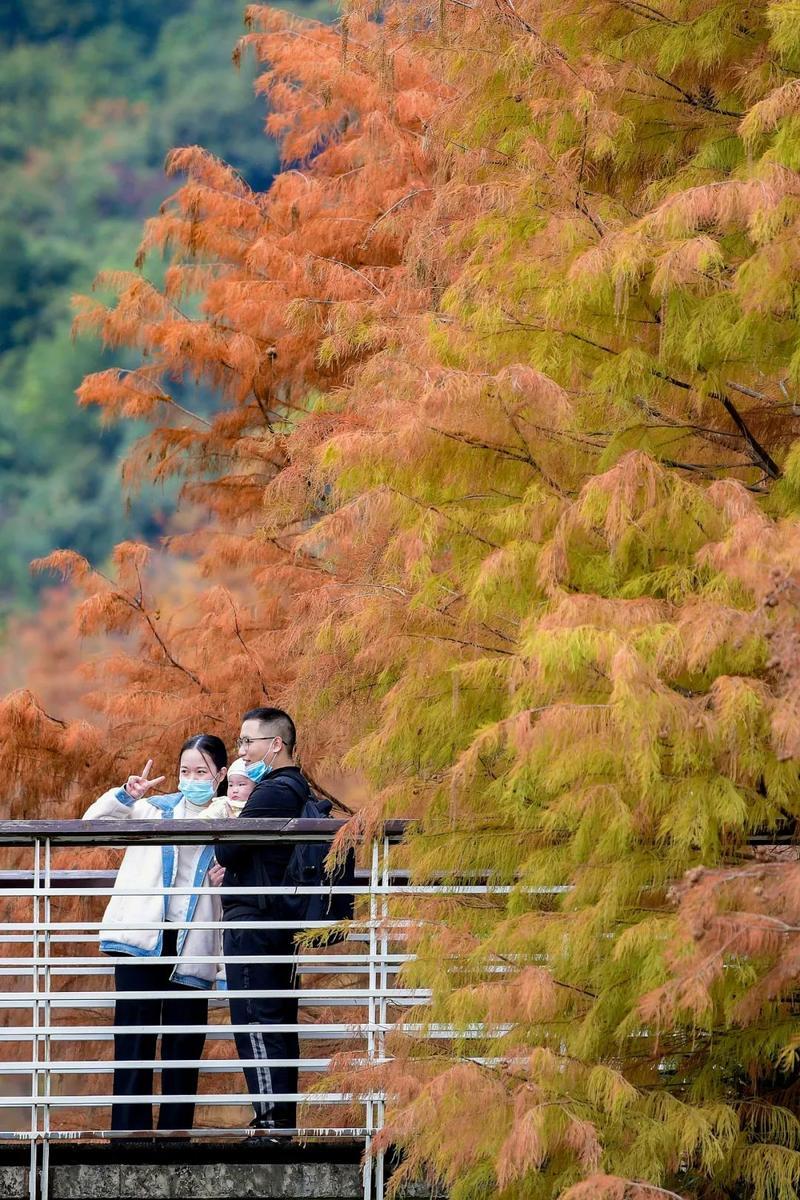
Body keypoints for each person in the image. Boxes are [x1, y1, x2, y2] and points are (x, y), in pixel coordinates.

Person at [83, 734, 228, 1133]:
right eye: (185, 771)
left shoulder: (233, 817)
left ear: (220, 775)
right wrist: (126, 795)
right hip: (142, 937)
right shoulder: (154, 808)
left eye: (201, 771)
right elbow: (92, 824)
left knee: (184, 1044)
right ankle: (128, 1138)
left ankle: (174, 1141)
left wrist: (230, 873)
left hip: (192, 942)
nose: (191, 779)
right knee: (134, 1039)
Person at [214, 707, 310, 1133]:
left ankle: (271, 1122)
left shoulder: (273, 790)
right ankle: (278, 1120)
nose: (241, 750)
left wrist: (227, 822)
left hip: (254, 920)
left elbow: (227, 850)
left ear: (275, 744)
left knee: (256, 1019)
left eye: (246, 742)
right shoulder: (295, 787)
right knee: (276, 1019)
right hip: (273, 919)